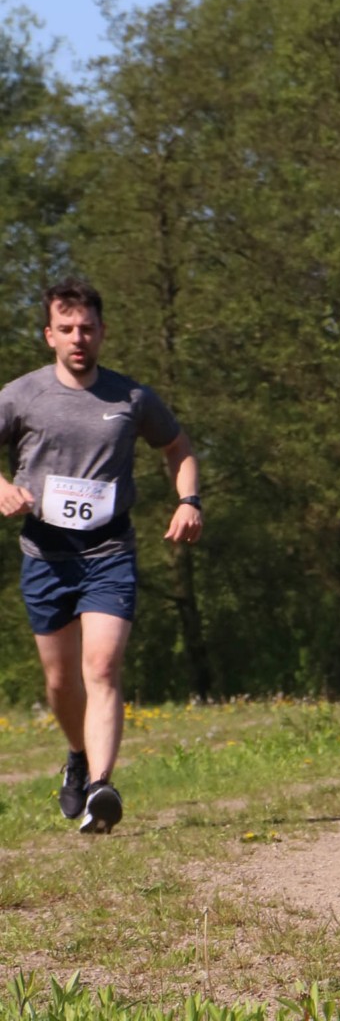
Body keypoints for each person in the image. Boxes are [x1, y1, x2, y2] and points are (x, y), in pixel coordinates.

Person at [0, 278, 203, 835]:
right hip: (45, 554)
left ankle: (101, 787)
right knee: (61, 683)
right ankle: (78, 755)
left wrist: (188, 500)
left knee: (103, 667)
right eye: (66, 328)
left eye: (86, 328)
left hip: (109, 551)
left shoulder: (131, 398)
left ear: (102, 332)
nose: (78, 337)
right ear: (49, 335)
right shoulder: (21, 395)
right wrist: (3, 488)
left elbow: (179, 448)